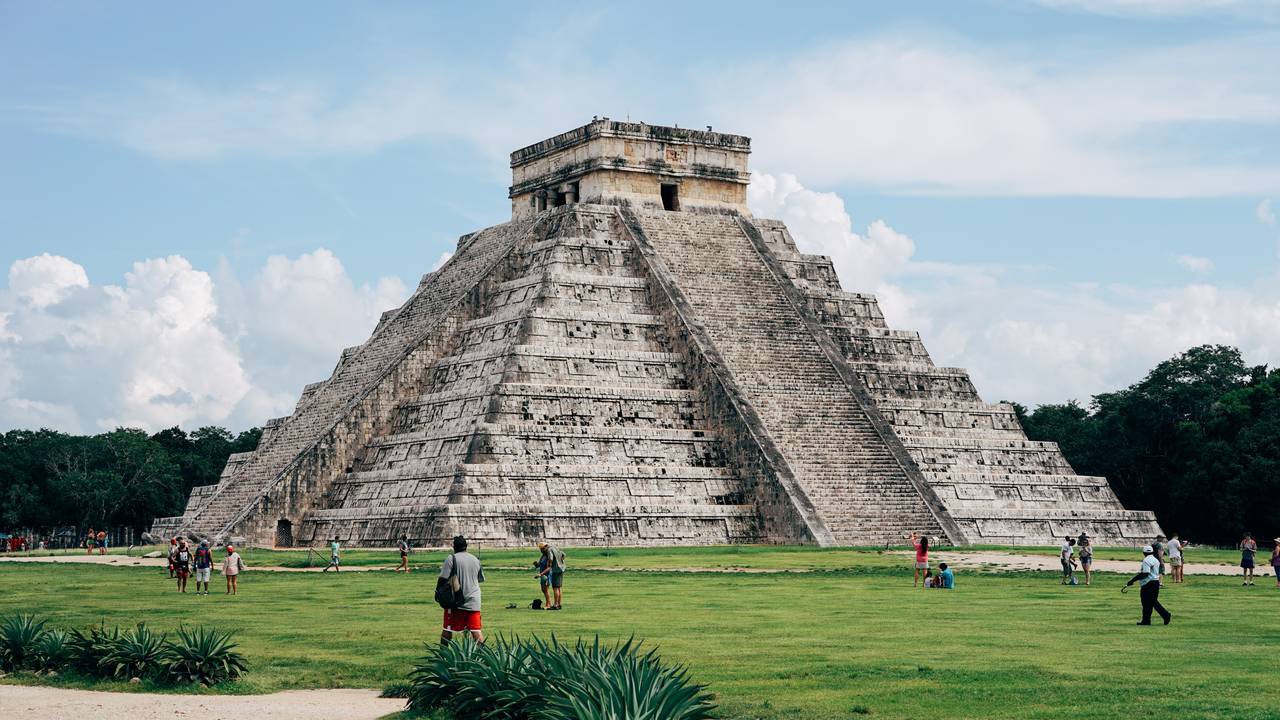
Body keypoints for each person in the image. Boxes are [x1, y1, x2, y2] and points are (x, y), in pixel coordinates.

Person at [439, 536, 485, 645]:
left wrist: (438, 592)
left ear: (454, 546)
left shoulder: (451, 559)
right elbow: (480, 579)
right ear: (466, 546)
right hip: (474, 600)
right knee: (476, 630)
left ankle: (443, 656)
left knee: (448, 629)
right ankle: (483, 656)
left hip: (456, 600)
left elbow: (443, 578)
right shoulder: (475, 559)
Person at [1123, 545, 1170, 625]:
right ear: (1152, 552)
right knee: (1150, 602)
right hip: (1155, 582)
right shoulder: (1155, 560)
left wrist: (1132, 580)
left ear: (1144, 553)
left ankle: (1165, 615)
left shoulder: (1146, 561)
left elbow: (1145, 573)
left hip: (1148, 584)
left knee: (1148, 602)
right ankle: (1146, 620)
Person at [536, 542, 566, 610]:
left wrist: (550, 564)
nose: (541, 551)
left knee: (555, 588)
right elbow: (564, 555)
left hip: (556, 570)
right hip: (561, 568)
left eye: (541, 549)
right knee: (558, 588)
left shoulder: (549, 550)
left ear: (544, 548)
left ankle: (555, 605)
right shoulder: (554, 547)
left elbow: (550, 561)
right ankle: (558, 604)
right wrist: (560, 562)